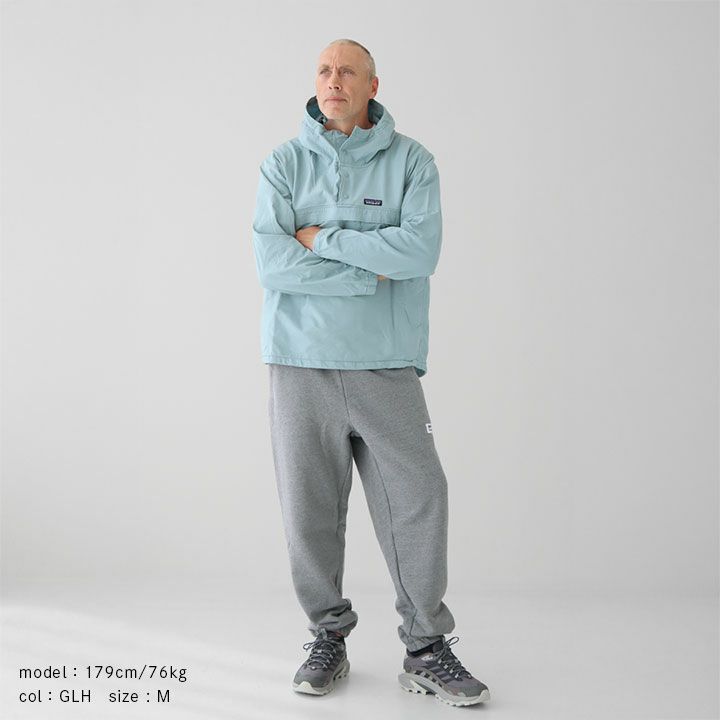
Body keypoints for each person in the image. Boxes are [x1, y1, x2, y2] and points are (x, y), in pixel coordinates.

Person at [251, 38, 490, 707]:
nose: (333, 80)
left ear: (371, 86)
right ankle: (327, 636)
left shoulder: (412, 162)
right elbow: (272, 263)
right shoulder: (283, 164)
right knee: (309, 510)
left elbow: (418, 252)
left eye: (347, 71)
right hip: (299, 362)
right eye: (324, 70)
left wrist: (323, 238)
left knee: (419, 499)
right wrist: (366, 273)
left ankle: (425, 647)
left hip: (384, 363)